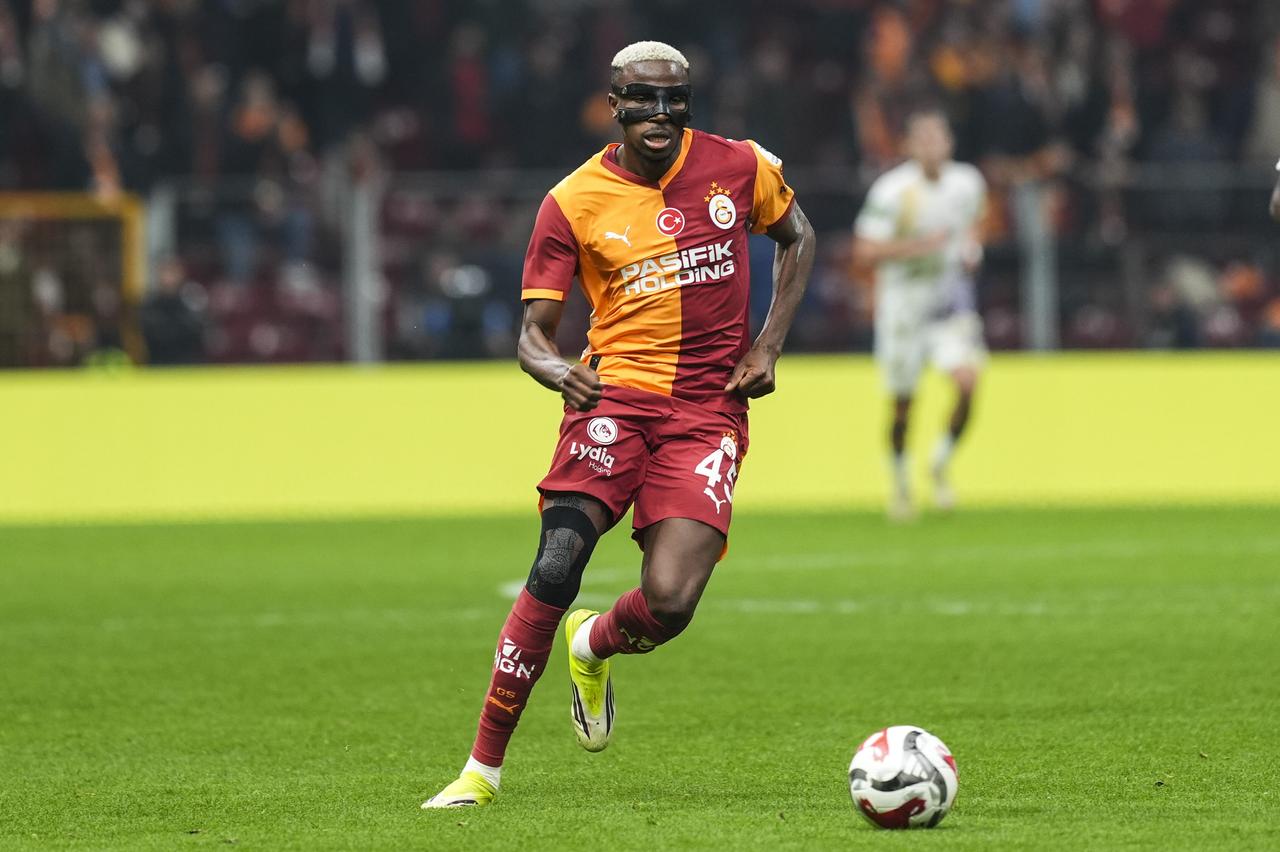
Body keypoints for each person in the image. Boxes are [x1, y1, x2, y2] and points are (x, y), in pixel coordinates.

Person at [423, 40, 815, 808]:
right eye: (642, 99)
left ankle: (593, 644)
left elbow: (798, 234)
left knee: (669, 602)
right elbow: (532, 334)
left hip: (707, 413)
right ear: (614, 105)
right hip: (614, 401)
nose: (660, 114)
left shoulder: (740, 167)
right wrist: (556, 369)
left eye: (674, 99)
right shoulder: (572, 202)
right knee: (558, 562)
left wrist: (769, 344)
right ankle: (481, 770)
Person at [853, 107, 987, 520]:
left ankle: (941, 461)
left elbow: (974, 223)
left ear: (950, 141)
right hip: (903, 307)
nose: (932, 145)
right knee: (903, 405)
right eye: (923, 138)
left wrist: (971, 250)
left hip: (947, 303)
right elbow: (864, 251)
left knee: (967, 383)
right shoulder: (892, 192)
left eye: (938, 136)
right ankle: (900, 482)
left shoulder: (968, 182)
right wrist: (919, 247)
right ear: (909, 145)